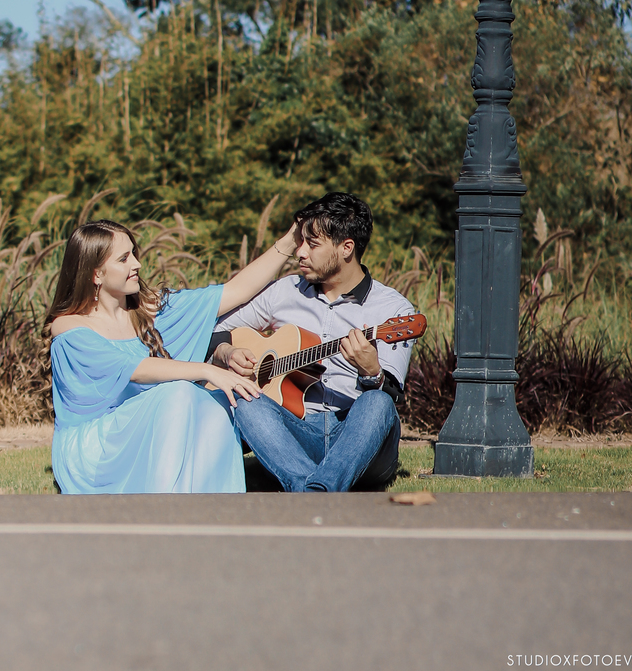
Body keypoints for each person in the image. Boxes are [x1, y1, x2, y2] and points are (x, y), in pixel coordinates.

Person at [46, 220, 299, 494]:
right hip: (96, 450)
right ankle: (166, 503)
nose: (137, 264)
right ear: (96, 274)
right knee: (178, 391)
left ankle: (210, 502)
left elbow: (235, 292)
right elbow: (134, 369)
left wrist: (289, 240)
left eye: (133, 253)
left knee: (219, 402)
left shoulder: (149, 309)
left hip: (144, 435)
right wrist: (208, 370)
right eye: (123, 259)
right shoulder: (69, 326)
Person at [210, 193, 416, 492]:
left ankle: (314, 486)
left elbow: (390, 399)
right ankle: (313, 489)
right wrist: (227, 351)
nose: (300, 253)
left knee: (377, 402)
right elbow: (216, 328)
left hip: (358, 440)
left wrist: (372, 372)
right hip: (296, 435)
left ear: (346, 248)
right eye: (301, 242)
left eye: (312, 244)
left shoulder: (393, 309)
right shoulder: (284, 292)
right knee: (245, 398)